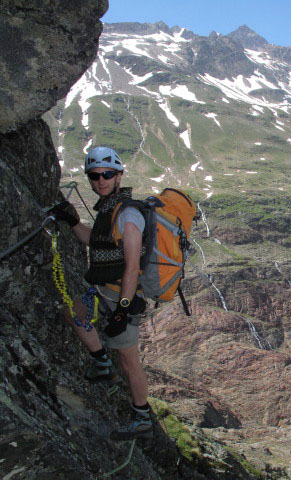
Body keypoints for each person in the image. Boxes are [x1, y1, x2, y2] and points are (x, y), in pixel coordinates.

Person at [52, 146, 152, 441]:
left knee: (129, 360)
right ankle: (101, 361)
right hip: (101, 293)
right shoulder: (108, 211)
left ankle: (142, 417)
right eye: (94, 176)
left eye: (107, 174)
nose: (101, 180)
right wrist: (72, 221)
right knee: (73, 314)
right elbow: (94, 243)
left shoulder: (128, 214)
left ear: (119, 176)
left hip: (120, 297)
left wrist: (122, 309)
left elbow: (132, 267)